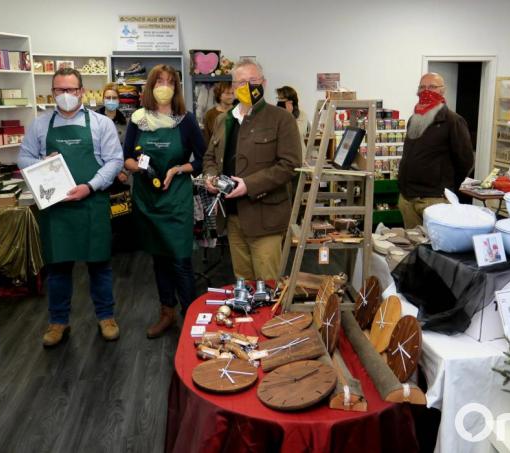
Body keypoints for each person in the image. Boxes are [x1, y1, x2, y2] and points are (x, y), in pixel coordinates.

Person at [18, 67, 124, 346]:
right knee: (58, 268)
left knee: (99, 265)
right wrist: (41, 163)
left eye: (71, 89)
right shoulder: (40, 125)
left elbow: (115, 161)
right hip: (56, 208)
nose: (66, 95)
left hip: (92, 203)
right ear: (53, 92)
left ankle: (106, 317)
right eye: (60, 90)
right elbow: (23, 158)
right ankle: (58, 322)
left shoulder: (101, 124)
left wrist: (90, 185)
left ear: (81, 91)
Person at [122, 64, 205, 339]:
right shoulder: (138, 119)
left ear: (176, 88)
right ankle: (166, 313)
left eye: (170, 82)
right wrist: (139, 168)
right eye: (159, 81)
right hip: (148, 199)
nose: (164, 87)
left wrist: (178, 169)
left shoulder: (186, 120)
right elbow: (127, 158)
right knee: (159, 259)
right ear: (150, 86)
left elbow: (202, 160)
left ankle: (192, 318)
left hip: (176, 199)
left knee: (180, 260)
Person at [203, 59, 301, 281]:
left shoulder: (281, 119)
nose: (247, 86)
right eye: (241, 82)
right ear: (233, 86)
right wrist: (211, 177)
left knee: (268, 284)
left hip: (265, 219)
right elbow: (210, 157)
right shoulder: (223, 120)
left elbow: (290, 165)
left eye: (253, 80)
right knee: (243, 283)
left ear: (263, 83)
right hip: (232, 217)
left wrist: (249, 185)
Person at [397, 72, 474, 229]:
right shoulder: (413, 119)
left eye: (432, 87)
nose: (426, 91)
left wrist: (446, 188)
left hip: (434, 199)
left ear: (442, 90)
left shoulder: (453, 121)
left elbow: (465, 161)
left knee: (434, 242)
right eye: (422, 87)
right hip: (407, 198)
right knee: (412, 242)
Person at [276, 85, 310, 150]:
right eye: (278, 98)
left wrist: (288, 114)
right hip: (282, 153)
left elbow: (297, 133)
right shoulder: (276, 115)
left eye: (282, 99)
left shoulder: (302, 115)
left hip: (298, 153)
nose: (279, 102)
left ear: (291, 102)